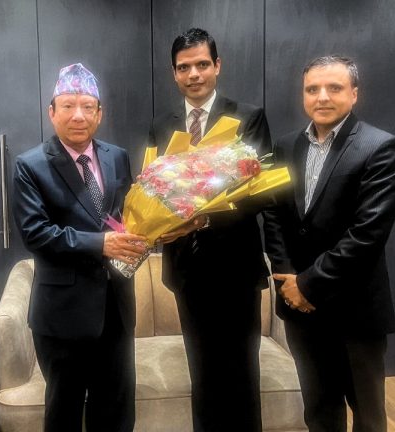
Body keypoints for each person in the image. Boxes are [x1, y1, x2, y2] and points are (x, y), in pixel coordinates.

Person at [263, 55, 395, 432]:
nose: (322, 96)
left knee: (368, 414)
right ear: (303, 95)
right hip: (300, 310)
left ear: (354, 94)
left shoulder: (381, 148)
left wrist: (308, 284)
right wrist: (288, 280)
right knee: (319, 410)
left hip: (355, 309)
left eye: (334, 88)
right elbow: (274, 217)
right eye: (312, 89)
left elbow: (367, 234)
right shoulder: (285, 146)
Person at [147, 28, 272, 432]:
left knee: (241, 372)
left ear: (218, 66)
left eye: (202, 64)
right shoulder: (162, 126)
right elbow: (154, 192)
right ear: (174, 74)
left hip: (236, 267)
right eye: (184, 67)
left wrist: (201, 216)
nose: (194, 74)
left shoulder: (248, 117)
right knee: (201, 372)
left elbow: (259, 194)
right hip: (187, 270)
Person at [13, 63, 147, 432]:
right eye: (68, 105)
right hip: (63, 313)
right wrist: (101, 243)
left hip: (115, 308)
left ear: (100, 114)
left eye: (88, 106)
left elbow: (126, 215)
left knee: (117, 408)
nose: (78, 115)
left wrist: (153, 229)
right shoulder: (30, 165)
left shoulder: (116, 156)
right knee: (64, 411)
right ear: (51, 112)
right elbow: (36, 233)